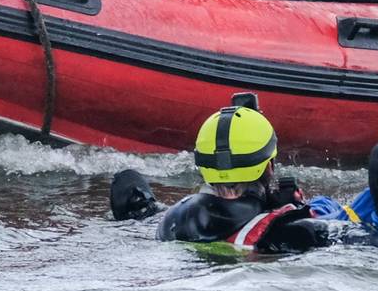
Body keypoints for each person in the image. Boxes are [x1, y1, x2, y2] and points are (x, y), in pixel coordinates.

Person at [131, 96, 331, 256]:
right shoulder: (294, 230)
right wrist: (298, 208)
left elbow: (128, 185)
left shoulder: (173, 221)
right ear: (269, 167)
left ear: (204, 165)